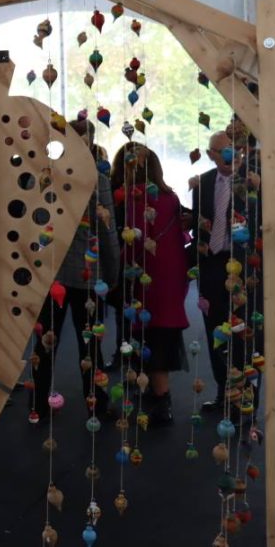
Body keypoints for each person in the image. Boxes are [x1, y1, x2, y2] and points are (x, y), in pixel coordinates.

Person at [31, 119, 119, 419]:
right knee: (90, 346)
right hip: (86, 275)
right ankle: (98, 405)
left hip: (51, 273)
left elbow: (33, 221)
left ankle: (38, 404)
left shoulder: (46, 177)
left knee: (46, 341)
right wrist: (112, 273)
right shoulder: (97, 180)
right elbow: (107, 231)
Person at [110, 142, 189, 426]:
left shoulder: (136, 197)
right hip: (172, 276)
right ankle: (159, 398)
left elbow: (134, 240)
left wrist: (115, 267)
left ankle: (160, 400)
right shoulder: (171, 196)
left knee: (150, 336)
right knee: (163, 335)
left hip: (146, 278)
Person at [192, 127, 262, 416]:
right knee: (216, 334)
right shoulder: (204, 182)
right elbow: (200, 224)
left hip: (243, 270)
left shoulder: (252, 181)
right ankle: (224, 392)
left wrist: (259, 188)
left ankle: (246, 401)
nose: (231, 155)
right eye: (223, 151)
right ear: (211, 155)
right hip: (211, 267)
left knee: (244, 334)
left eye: (235, 150)